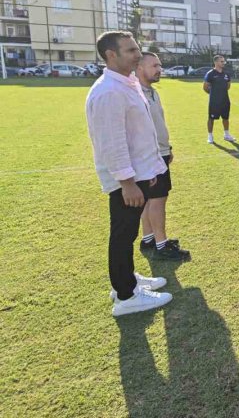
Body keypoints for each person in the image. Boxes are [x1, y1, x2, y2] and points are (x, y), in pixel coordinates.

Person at [86, 31, 171, 316]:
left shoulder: (126, 83)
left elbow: (139, 132)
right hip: (127, 180)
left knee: (128, 232)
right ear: (111, 55)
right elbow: (112, 142)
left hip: (139, 173)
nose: (137, 55)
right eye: (131, 50)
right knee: (123, 234)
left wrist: (151, 168)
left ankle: (127, 280)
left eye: (137, 49)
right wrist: (127, 183)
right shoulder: (109, 91)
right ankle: (126, 295)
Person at [136, 52, 190, 261]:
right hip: (151, 155)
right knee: (158, 199)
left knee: (151, 199)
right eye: (154, 66)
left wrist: (167, 148)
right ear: (140, 68)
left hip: (161, 151)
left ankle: (149, 238)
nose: (159, 69)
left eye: (159, 65)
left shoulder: (152, 92)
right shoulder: (135, 94)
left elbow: (158, 124)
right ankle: (162, 244)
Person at [204, 55, 235, 144]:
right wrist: (214, 95)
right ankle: (210, 136)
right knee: (211, 118)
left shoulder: (226, 74)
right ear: (216, 62)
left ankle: (226, 135)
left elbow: (228, 86)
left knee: (226, 118)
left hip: (225, 100)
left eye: (223, 61)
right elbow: (205, 87)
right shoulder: (210, 74)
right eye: (221, 61)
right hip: (214, 101)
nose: (223, 63)